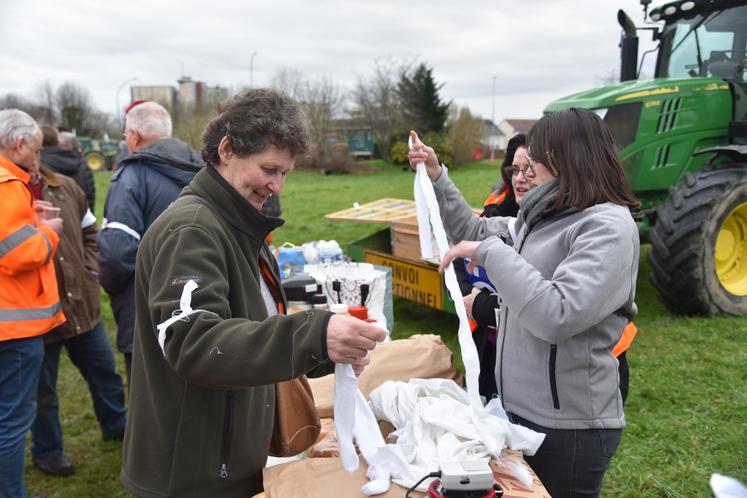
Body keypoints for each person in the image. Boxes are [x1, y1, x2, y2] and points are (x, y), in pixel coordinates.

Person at [122, 88, 386, 497]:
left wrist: (325, 352)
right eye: (269, 168)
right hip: (191, 473)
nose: (277, 185)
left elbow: (253, 329)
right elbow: (194, 342)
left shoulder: (240, 225)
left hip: (226, 458)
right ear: (227, 149)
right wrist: (313, 335)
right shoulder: (192, 230)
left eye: (285, 173)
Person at [409, 107, 640, 498]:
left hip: (569, 429)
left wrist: (490, 253)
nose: (525, 173)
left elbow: (557, 313)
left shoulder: (607, 228)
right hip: (519, 416)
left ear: (571, 158)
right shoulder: (542, 219)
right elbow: (475, 229)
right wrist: (436, 175)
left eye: (537, 161)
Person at [28, 156, 126, 477]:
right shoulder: (10, 196)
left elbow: (90, 231)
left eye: (36, 150)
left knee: (105, 374)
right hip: (38, 317)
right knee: (43, 392)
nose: (33, 158)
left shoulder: (66, 186)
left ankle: (116, 424)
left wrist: (90, 269)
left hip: (82, 307)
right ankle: (48, 451)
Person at [97, 101, 203, 386]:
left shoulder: (131, 175)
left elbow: (117, 253)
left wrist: (109, 284)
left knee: (150, 401)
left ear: (133, 135)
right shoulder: (204, 168)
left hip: (145, 309)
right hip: (203, 305)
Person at [0, 109, 65, 498]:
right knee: (11, 421)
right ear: (20, 144)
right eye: (38, 152)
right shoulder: (8, 184)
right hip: (14, 325)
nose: (39, 161)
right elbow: (19, 254)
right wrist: (48, 231)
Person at [455, 133, 525, 399]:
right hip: (488, 343)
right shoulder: (495, 207)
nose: (521, 177)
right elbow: (461, 258)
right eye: (515, 169)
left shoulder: (560, 226)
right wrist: (467, 298)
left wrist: (484, 307)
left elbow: (549, 305)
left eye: (529, 169)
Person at [39, 125, 95, 210]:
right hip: (80, 215)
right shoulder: (82, 163)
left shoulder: (40, 165)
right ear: (57, 142)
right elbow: (89, 194)